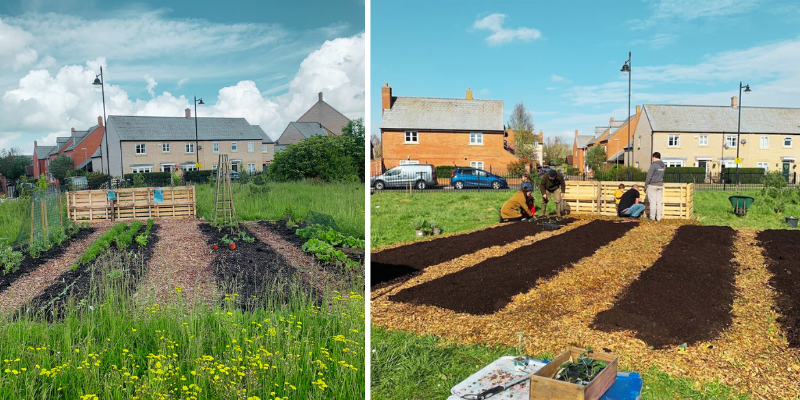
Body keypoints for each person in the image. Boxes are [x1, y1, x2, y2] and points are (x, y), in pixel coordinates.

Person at [645, 152, 665, 221]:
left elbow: (649, 176)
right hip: (660, 185)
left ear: (653, 157)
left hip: (653, 185)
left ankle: (652, 217)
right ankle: (659, 218)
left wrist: (646, 185)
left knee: (653, 202)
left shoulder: (654, 165)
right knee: (659, 202)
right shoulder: (663, 165)